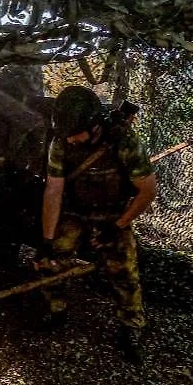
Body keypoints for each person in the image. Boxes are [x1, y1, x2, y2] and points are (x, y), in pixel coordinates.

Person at [39, 85, 158, 364]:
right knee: (52, 257)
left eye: (75, 134)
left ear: (94, 127)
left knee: (124, 267)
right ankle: (56, 309)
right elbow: (53, 191)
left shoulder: (125, 141)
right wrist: (46, 240)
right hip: (75, 210)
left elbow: (147, 191)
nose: (70, 141)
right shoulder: (61, 142)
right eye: (65, 135)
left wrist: (117, 226)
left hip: (113, 214)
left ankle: (131, 325)